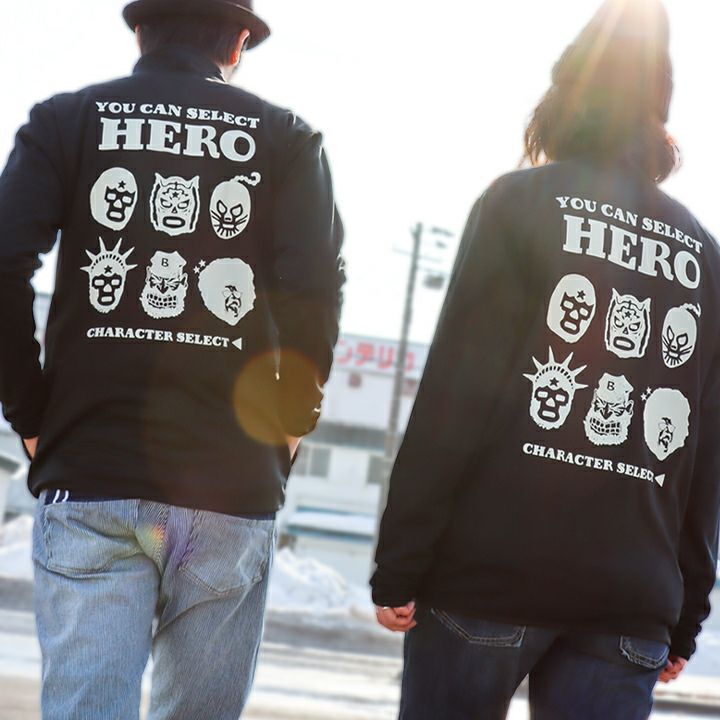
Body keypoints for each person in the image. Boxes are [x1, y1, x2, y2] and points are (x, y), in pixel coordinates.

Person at [372, 1, 720, 718]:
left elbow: (456, 395)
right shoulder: (704, 254)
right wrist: (685, 608)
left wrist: (401, 560)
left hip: (488, 580)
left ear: (563, 102)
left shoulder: (519, 203)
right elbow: (704, 449)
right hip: (629, 602)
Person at [0, 0, 344, 717]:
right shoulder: (286, 137)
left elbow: (4, 263)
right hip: (230, 479)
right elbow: (315, 287)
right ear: (239, 41)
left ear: (139, 30)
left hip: (90, 471)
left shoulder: (66, 121)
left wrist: (29, 413)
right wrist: (290, 422)